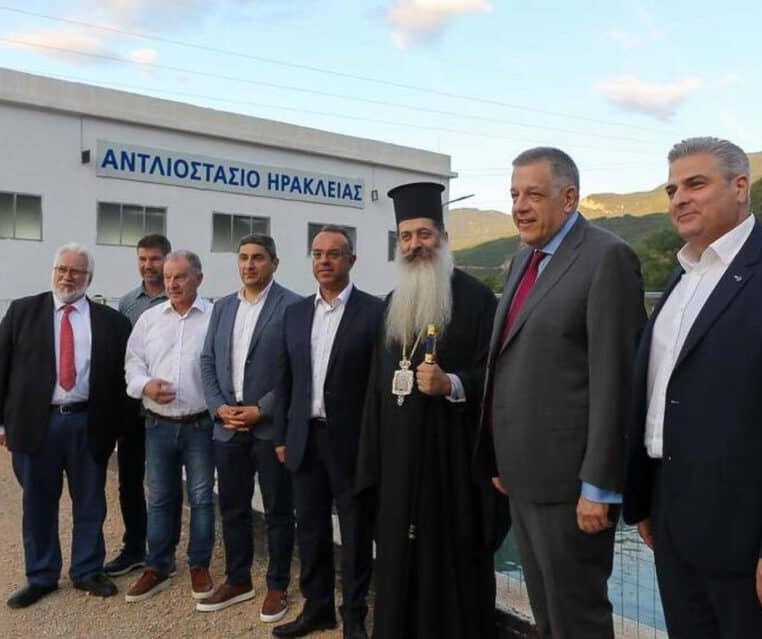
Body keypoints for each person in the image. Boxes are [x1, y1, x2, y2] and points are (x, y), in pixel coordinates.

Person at [622, 137, 762, 638]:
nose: (679, 198)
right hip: (672, 517)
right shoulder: (683, 277)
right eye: (672, 189)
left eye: (695, 184)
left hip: (749, 536)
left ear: (741, 186)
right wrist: (646, 497)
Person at [476, 147, 647, 638]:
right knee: (548, 616)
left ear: (569, 198)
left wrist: (600, 486)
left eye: (533, 194)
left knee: (578, 619)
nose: (519, 206)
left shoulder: (607, 257)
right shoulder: (522, 261)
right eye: (514, 194)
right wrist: (499, 458)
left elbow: (616, 379)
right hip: (523, 477)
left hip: (572, 487)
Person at [355, 182, 506, 638]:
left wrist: (452, 384)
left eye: (424, 234)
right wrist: (371, 467)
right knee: (398, 570)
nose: (414, 244)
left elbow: (499, 379)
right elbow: (375, 393)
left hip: (452, 471)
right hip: (398, 472)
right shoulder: (392, 305)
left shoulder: (478, 301)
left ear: (443, 237)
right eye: (406, 236)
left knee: (452, 575)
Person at [0, 243, 135, 608]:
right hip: (36, 425)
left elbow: (122, 379)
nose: (68, 277)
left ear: (89, 278)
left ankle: (87, 570)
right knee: (38, 502)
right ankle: (41, 576)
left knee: (90, 502)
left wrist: (118, 429)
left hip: (88, 424)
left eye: (76, 271)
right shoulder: (23, 312)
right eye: (62, 270)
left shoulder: (111, 322)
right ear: (53, 272)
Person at [272, 227, 384, 639]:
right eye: (318, 253)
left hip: (352, 445)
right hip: (305, 440)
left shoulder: (375, 313)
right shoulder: (296, 314)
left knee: (355, 534)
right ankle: (317, 608)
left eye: (334, 254)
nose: (324, 261)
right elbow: (285, 381)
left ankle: (353, 614)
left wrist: (376, 445)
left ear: (351, 260)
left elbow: (378, 387)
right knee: (311, 530)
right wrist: (281, 437)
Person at [198, 234, 301, 620]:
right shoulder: (222, 307)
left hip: (269, 428)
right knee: (232, 507)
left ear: (274, 263)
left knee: (278, 510)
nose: (249, 264)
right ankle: (238, 579)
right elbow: (207, 361)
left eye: (258, 258)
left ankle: (277, 585)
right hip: (228, 426)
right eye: (243, 257)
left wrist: (262, 409)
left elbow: (297, 370)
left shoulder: (293, 306)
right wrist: (218, 407)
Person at [122, 250, 217, 604]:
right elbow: (133, 363)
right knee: (160, 497)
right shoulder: (149, 319)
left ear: (198, 279)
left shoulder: (214, 318)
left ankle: (199, 564)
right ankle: (159, 565)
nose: (173, 284)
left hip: (200, 425)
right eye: (168, 278)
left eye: (180, 277)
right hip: (158, 425)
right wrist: (144, 385)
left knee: (202, 498)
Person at [105, 233, 171, 577]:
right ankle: (134, 547)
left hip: (168, 410)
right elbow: (124, 355)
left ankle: (164, 551)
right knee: (129, 481)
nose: (148, 265)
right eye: (143, 259)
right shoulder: (128, 303)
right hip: (133, 410)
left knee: (164, 485)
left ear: (167, 259)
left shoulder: (180, 298)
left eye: (155, 258)